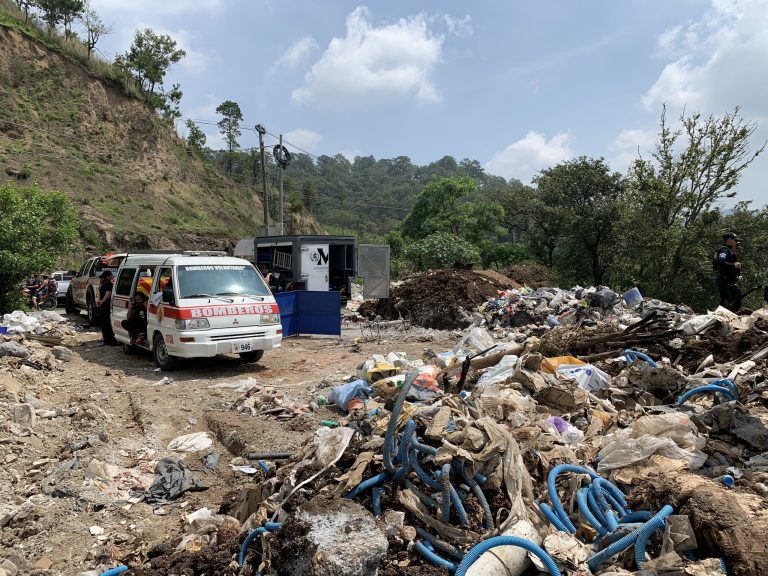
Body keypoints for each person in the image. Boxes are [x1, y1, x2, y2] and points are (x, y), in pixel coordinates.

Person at [715, 232, 742, 312]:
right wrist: (734, 265)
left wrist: (736, 276)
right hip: (725, 280)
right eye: (735, 240)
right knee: (730, 303)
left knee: (730, 302)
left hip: (728, 280)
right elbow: (720, 262)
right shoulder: (724, 250)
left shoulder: (728, 250)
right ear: (729, 240)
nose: (736, 242)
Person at [96, 271, 118, 346]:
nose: (112, 276)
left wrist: (99, 301)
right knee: (108, 323)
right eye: (111, 275)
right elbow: (108, 294)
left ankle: (106, 340)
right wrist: (102, 301)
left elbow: (99, 294)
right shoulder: (108, 284)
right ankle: (110, 340)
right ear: (107, 276)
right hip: (106, 306)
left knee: (104, 323)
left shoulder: (102, 284)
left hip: (102, 306)